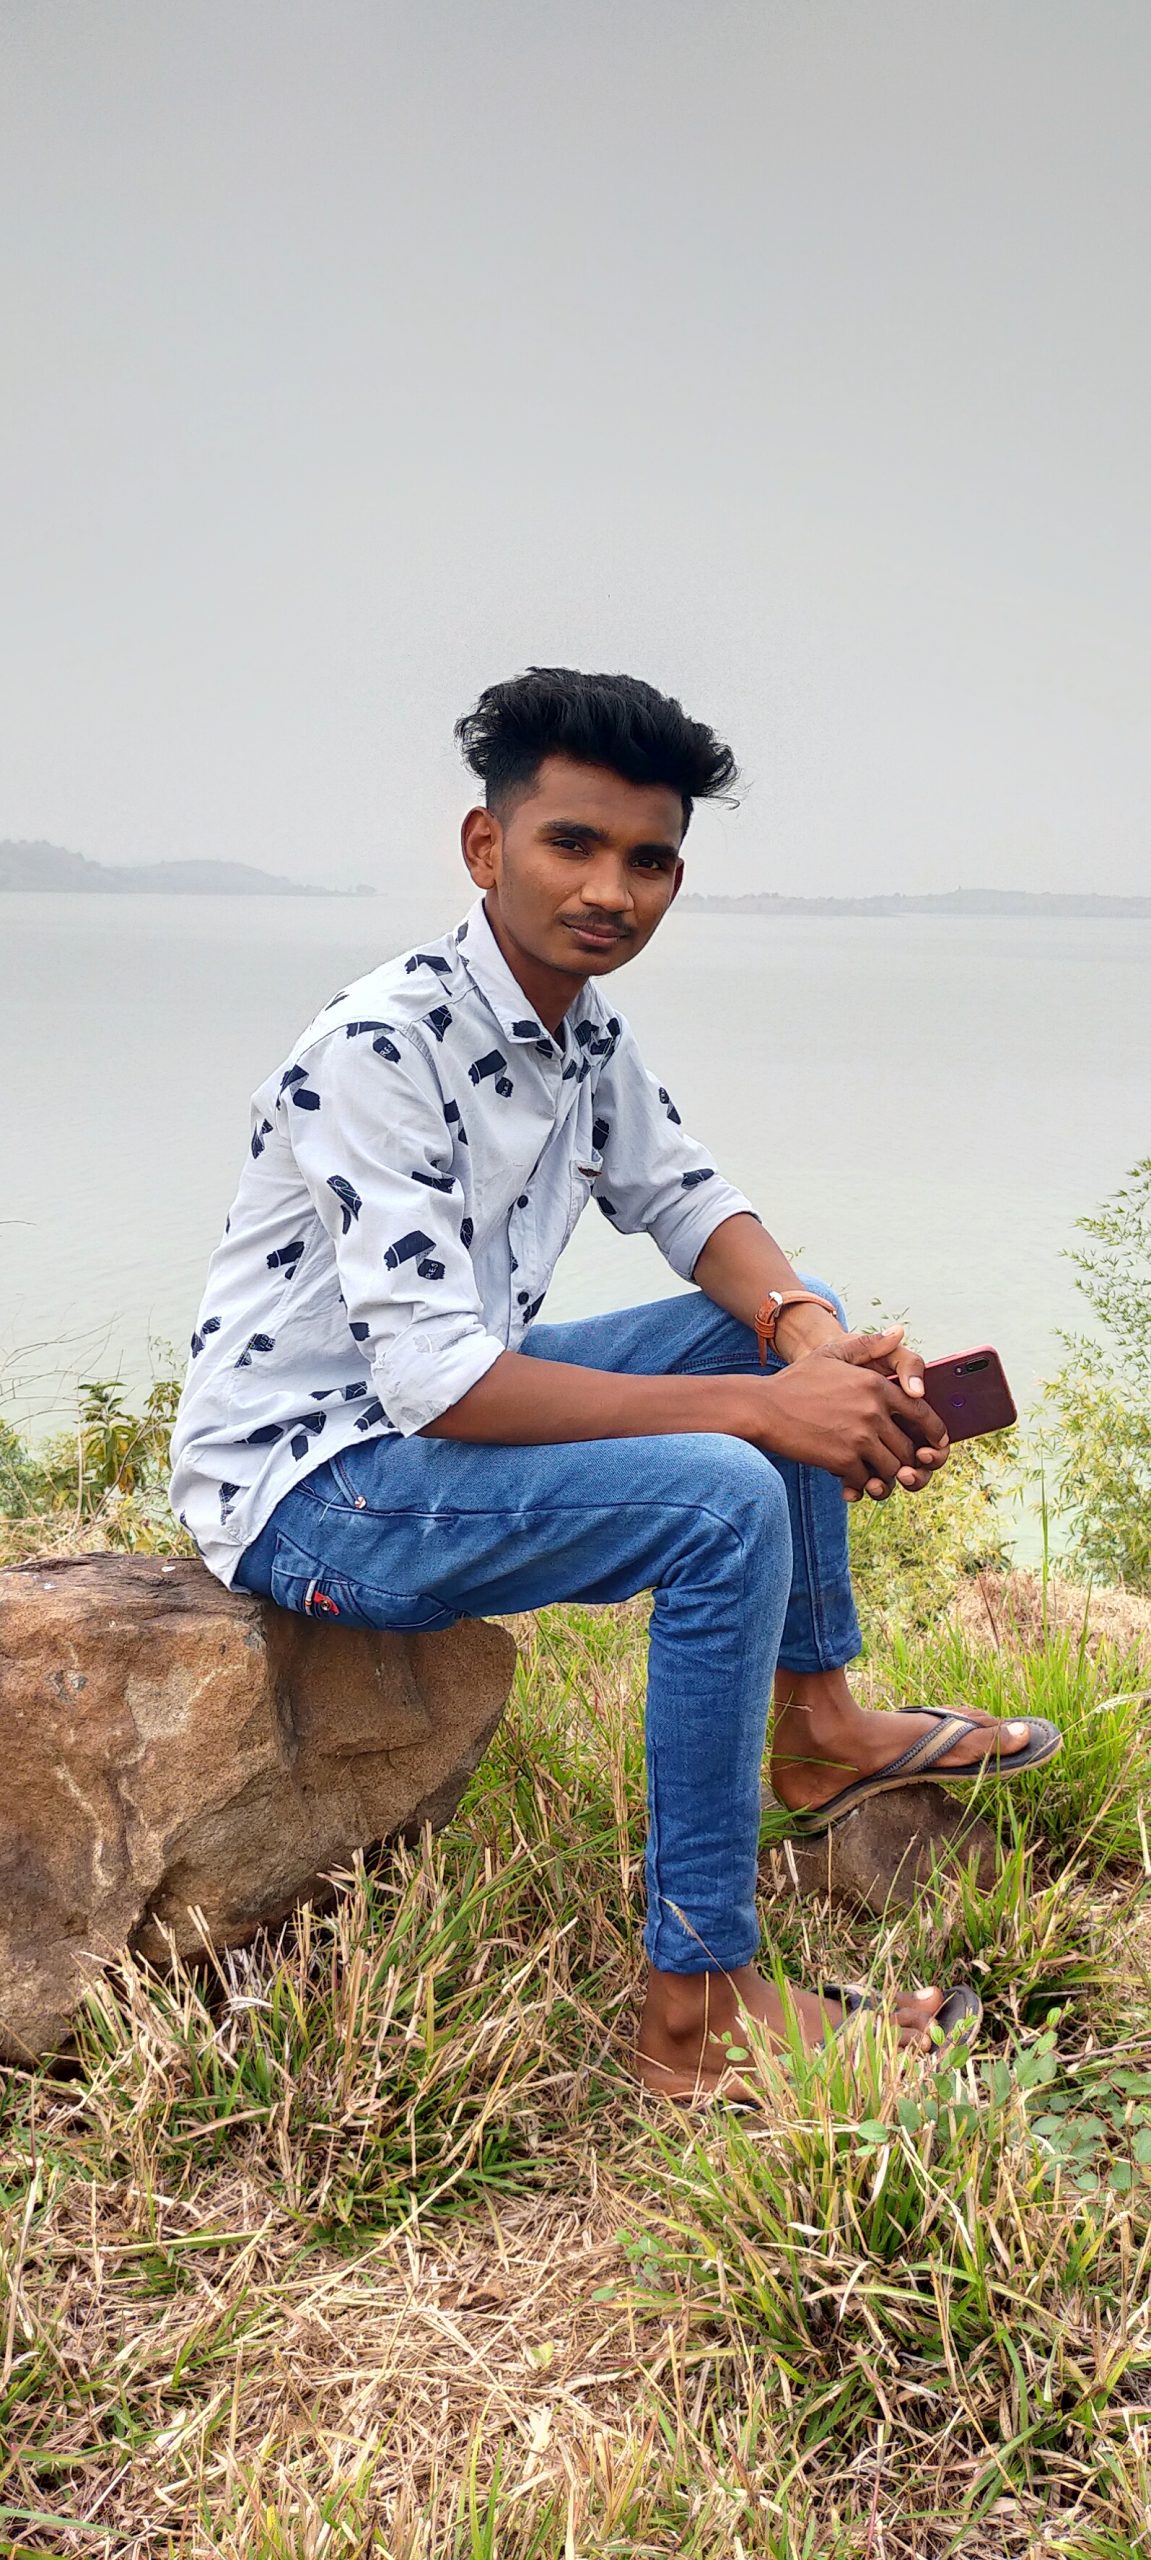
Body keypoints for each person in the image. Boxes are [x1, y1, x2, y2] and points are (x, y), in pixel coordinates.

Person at [170, 667, 1059, 2103]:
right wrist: (771, 1415)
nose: (611, 889)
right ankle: (696, 2007)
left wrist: (806, 1334)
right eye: (570, 844)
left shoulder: (582, 1029)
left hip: (410, 1435)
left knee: (750, 1340)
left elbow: (689, 1196)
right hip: (314, 1491)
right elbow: (445, 1381)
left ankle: (821, 1730)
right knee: (721, 1488)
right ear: (485, 848)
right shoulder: (379, 1046)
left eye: (648, 861)